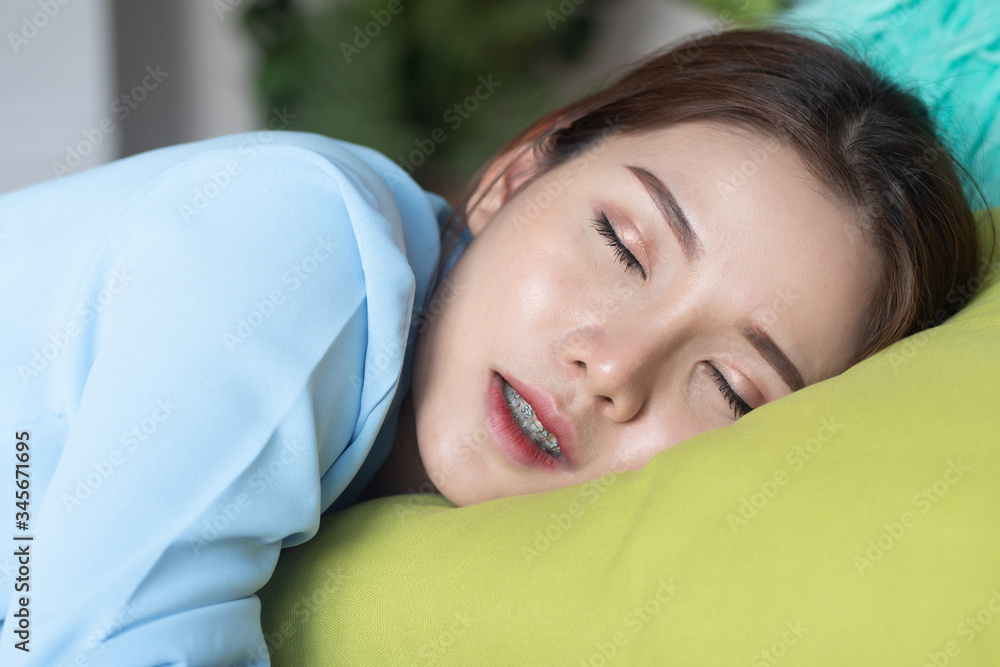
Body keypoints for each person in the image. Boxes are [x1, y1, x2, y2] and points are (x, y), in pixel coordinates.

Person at [0, 27, 987, 666]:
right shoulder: (302, 245)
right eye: (620, 244)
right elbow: (94, 639)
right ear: (514, 174)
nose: (610, 368)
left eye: (728, 389)